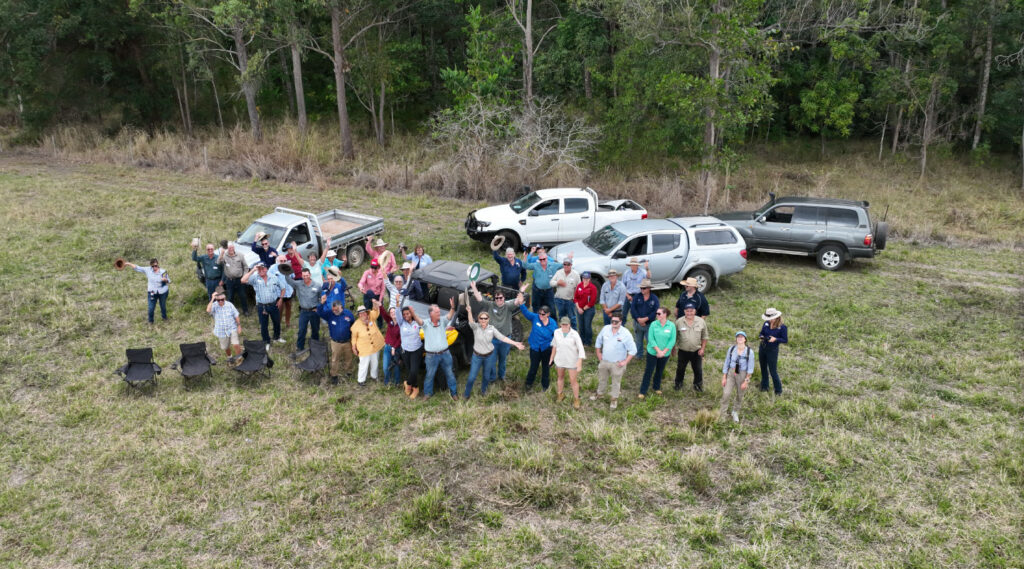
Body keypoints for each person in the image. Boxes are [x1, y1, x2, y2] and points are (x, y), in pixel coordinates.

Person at [467, 280, 525, 383]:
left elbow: (517, 301)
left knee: (502, 360)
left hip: (505, 339)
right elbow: (479, 298)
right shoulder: (490, 305)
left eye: (501, 298)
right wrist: (474, 287)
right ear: (494, 299)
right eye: (497, 298)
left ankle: (501, 377)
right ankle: (492, 378)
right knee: (491, 360)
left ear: (504, 298)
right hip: (492, 339)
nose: (499, 300)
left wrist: (521, 291)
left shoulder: (509, 305)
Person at [464, 302, 525, 399]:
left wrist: (515, 343)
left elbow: (503, 338)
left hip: (488, 356)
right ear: (479, 320)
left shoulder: (492, 329)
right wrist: (469, 311)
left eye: (485, 318)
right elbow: (471, 321)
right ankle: (466, 394)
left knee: (486, 377)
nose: (483, 320)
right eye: (481, 318)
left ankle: (483, 391)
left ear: (488, 319)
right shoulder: (476, 328)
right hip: (477, 356)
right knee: (471, 377)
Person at [413, 301, 458, 400]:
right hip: (431, 356)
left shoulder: (443, 321)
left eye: (439, 312)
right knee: (429, 375)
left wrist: (453, 307)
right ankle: (428, 393)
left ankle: (453, 393)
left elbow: (450, 316)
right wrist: (413, 314)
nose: (439, 314)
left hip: (445, 354)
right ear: (431, 314)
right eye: (437, 312)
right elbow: (418, 321)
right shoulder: (426, 324)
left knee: (450, 373)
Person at [592, 313, 637, 410]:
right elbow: (598, 341)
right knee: (602, 379)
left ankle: (614, 399)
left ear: (621, 322)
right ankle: (599, 394)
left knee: (616, 382)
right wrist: (598, 353)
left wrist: (625, 362)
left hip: (617, 364)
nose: (613, 323)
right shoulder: (605, 329)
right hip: (604, 361)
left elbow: (633, 350)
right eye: (612, 321)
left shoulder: (626, 333)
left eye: (616, 321)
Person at [241, 262, 285, 346]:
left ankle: (277, 337)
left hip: (273, 305)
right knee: (264, 325)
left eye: (263, 268)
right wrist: (253, 270)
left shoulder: (274, 277)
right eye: (259, 269)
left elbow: (283, 288)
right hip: (262, 306)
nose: (261, 270)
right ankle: (266, 341)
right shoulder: (254, 278)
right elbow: (242, 280)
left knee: (276, 322)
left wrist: (280, 299)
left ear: (266, 269)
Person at [519, 304, 558, 392]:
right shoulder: (535, 317)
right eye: (539, 313)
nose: (540, 315)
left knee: (546, 368)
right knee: (533, 367)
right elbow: (526, 312)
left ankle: (545, 386)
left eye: (543, 314)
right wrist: (521, 304)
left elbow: (556, 337)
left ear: (548, 314)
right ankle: (528, 384)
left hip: (546, 349)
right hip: (535, 348)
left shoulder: (553, 324)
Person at [639, 307, 675, 398]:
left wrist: (664, 352)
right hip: (652, 352)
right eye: (656, 313)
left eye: (659, 313)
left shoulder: (671, 326)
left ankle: (656, 387)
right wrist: (658, 351)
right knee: (649, 371)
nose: (657, 315)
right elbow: (651, 339)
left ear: (665, 314)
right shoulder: (653, 324)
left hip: (665, 354)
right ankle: (643, 391)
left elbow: (672, 340)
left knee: (660, 370)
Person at [550, 316, 585, 408]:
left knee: (573, 381)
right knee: (560, 378)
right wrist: (551, 358)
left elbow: (580, 348)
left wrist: (579, 362)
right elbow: (554, 346)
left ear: (569, 324)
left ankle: (576, 399)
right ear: (560, 324)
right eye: (563, 324)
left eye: (566, 324)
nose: (564, 326)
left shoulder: (575, 334)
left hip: (572, 361)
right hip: (560, 360)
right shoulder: (556, 332)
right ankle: (560, 394)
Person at [317, 298, 355, 385]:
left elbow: (353, 324)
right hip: (335, 342)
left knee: (348, 358)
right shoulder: (330, 314)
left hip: (347, 341)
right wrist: (321, 304)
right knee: (334, 359)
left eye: (337, 309)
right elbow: (319, 312)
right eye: (333, 310)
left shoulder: (348, 313)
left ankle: (348, 372)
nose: (335, 311)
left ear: (341, 307)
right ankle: (334, 375)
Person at [721, 331, 755, 422]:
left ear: (745, 339)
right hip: (731, 373)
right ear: (736, 339)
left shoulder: (749, 352)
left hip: (742, 374)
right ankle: (723, 413)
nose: (740, 338)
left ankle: (735, 412)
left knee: (740, 395)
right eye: (738, 337)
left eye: (742, 337)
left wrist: (746, 381)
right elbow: (726, 363)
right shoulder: (731, 349)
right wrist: (724, 377)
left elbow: (750, 368)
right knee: (726, 393)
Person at [285, 268, 321, 352]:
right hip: (303, 311)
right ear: (301, 276)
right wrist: (285, 272)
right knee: (301, 330)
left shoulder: (317, 285)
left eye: (307, 275)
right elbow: (289, 281)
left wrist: (318, 307)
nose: (305, 277)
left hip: (314, 312)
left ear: (310, 275)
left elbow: (321, 297)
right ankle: (300, 347)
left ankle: (315, 346)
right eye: (304, 276)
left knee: (315, 329)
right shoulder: (298, 284)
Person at [674, 302, 708, 391]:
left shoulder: (701, 321)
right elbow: (674, 337)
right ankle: (678, 384)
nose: (689, 313)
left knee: (698, 370)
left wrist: (702, 349)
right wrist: (673, 349)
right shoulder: (679, 322)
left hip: (696, 351)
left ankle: (698, 386)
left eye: (691, 311)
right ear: (684, 311)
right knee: (680, 369)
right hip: (683, 350)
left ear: (695, 311)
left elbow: (704, 337)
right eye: (687, 311)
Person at [351, 301, 385, 386]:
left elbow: (376, 311)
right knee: (363, 364)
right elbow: (354, 338)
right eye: (360, 314)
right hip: (364, 348)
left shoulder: (371, 317)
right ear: (359, 315)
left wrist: (375, 303)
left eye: (364, 313)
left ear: (366, 313)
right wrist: (354, 347)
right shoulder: (355, 325)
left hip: (375, 345)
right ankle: (361, 380)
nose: (363, 315)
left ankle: (374, 376)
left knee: (375, 362)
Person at [125, 258, 170, 323]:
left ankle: (164, 318)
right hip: (152, 292)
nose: (154, 267)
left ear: (158, 264)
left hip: (162, 292)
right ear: (150, 266)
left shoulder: (163, 271)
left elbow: (168, 280)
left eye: (156, 265)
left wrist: (165, 280)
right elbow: (137, 268)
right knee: (151, 308)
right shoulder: (148, 270)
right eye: (153, 266)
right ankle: (150, 322)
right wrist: (128, 264)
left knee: (162, 305)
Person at [758, 307, 788, 395]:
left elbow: (785, 340)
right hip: (763, 347)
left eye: (771, 319)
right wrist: (761, 336)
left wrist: (775, 339)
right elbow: (761, 332)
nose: (770, 320)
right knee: (763, 368)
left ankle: (778, 390)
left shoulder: (782, 327)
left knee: (773, 371)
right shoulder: (766, 323)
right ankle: (764, 386)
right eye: (769, 319)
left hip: (772, 350)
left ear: (776, 317)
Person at [206, 292, 241, 360]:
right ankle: (230, 358)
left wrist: (239, 326)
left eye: (222, 299)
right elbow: (208, 310)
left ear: (224, 298)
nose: (220, 301)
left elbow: (236, 315)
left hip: (232, 328)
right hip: (221, 330)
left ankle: (239, 359)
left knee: (236, 344)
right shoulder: (214, 305)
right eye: (218, 300)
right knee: (225, 347)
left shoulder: (230, 305)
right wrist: (212, 298)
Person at [399, 306, 424, 398]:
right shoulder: (401, 323)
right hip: (405, 350)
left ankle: (408, 384)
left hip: (416, 350)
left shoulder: (416, 322)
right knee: (410, 370)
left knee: (414, 371)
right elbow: (398, 313)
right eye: (404, 314)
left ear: (411, 314)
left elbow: (425, 326)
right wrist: (397, 303)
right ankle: (415, 388)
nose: (406, 316)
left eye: (408, 313)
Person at [629, 278, 659, 354]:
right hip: (637, 323)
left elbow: (656, 311)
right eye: (641, 288)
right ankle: (639, 354)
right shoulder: (636, 297)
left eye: (644, 288)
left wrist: (646, 319)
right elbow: (633, 309)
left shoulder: (654, 298)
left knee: (650, 340)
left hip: (649, 324)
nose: (642, 290)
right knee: (638, 340)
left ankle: (651, 354)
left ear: (649, 288)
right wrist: (638, 319)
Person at [549, 256, 581, 328]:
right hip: (559, 300)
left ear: (571, 265)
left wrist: (575, 299)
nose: (566, 266)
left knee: (572, 318)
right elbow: (551, 283)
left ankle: (573, 333)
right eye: (564, 264)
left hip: (570, 301)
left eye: (568, 264)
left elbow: (579, 288)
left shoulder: (576, 274)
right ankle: (562, 332)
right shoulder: (558, 272)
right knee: (561, 317)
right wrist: (557, 283)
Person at [524, 248, 559, 313]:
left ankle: (552, 319)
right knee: (536, 303)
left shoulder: (550, 260)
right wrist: (530, 253)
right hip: (537, 283)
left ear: (545, 252)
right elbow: (527, 262)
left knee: (550, 305)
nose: (540, 253)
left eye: (541, 251)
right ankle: (537, 317)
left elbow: (558, 266)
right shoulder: (536, 259)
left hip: (548, 286)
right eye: (538, 252)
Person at [218, 243, 249, 316]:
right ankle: (230, 312)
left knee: (243, 296)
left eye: (232, 247)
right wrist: (221, 254)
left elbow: (246, 267)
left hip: (239, 280)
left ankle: (245, 311)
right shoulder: (224, 255)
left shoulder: (240, 255)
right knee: (230, 296)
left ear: (234, 248)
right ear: (227, 249)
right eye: (229, 248)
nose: (231, 249)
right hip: (229, 280)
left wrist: (244, 277)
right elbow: (218, 263)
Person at [620, 258, 651, 326]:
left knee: (637, 313)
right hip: (628, 295)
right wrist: (628, 296)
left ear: (637, 265)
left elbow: (649, 277)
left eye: (634, 265)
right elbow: (622, 286)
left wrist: (647, 269)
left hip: (639, 295)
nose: (633, 266)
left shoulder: (643, 272)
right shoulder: (626, 273)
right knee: (623, 313)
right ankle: (621, 327)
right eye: (632, 265)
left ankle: (637, 328)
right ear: (630, 266)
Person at [358, 259, 387, 324]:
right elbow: (361, 283)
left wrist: (380, 300)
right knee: (368, 311)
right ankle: (369, 325)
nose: (373, 269)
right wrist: (361, 288)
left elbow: (383, 288)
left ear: (378, 267)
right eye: (372, 267)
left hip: (377, 295)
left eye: (375, 267)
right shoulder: (367, 273)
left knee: (379, 311)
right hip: (368, 295)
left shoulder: (381, 274)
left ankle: (380, 326)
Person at [269, 255, 294, 329]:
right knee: (279, 308)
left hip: (288, 291)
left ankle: (287, 322)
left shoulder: (288, 267)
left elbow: (293, 276)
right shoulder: (273, 268)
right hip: (278, 292)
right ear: (277, 261)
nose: (283, 262)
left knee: (289, 306)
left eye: (284, 261)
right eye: (281, 261)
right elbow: (269, 278)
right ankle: (278, 324)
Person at [574, 271, 599, 346]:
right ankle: (581, 340)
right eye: (584, 278)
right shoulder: (579, 286)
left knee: (587, 325)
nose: (585, 280)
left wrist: (583, 309)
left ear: (589, 279)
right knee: (581, 326)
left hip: (589, 310)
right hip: (579, 309)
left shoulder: (593, 288)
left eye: (587, 279)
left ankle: (588, 341)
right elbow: (575, 298)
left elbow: (592, 302)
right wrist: (578, 308)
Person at [380, 306, 403, 387]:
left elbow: (400, 338)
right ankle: (387, 382)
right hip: (387, 347)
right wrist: (380, 305)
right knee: (385, 367)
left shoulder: (401, 324)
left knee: (396, 366)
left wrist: (394, 347)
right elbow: (383, 314)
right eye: (391, 312)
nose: (393, 313)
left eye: (394, 312)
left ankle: (397, 382)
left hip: (396, 349)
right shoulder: (390, 321)